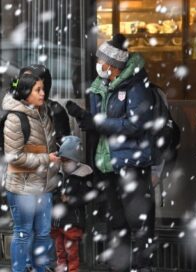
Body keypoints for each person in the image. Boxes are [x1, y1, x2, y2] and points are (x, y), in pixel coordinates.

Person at [66, 33, 157, 272]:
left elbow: (137, 125)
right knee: (115, 222)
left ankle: (141, 266)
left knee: (138, 223)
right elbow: (100, 125)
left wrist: (99, 123)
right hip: (108, 166)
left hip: (131, 164)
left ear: (112, 64)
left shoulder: (136, 86)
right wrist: (87, 120)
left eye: (101, 59)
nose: (98, 63)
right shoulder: (99, 87)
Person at [2, 71, 60, 272]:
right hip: (22, 187)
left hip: (43, 186)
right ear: (26, 92)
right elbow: (13, 156)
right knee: (23, 233)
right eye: (38, 90)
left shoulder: (43, 113)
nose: (43, 93)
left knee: (43, 233)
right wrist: (46, 158)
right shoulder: (15, 119)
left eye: (43, 89)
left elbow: (46, 147)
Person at [51, 135, 93, 272]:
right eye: (61, 160)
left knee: (72, 252)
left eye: (66, 160)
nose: (63, 163)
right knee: (60, 251)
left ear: (75, 160)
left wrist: (71, 200)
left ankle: (72, 270)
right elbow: (52, 192)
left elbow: (88, 197)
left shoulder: (82, 177)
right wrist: (58, 198)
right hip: (58, 222)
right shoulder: (59, 174)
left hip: (72, 221)